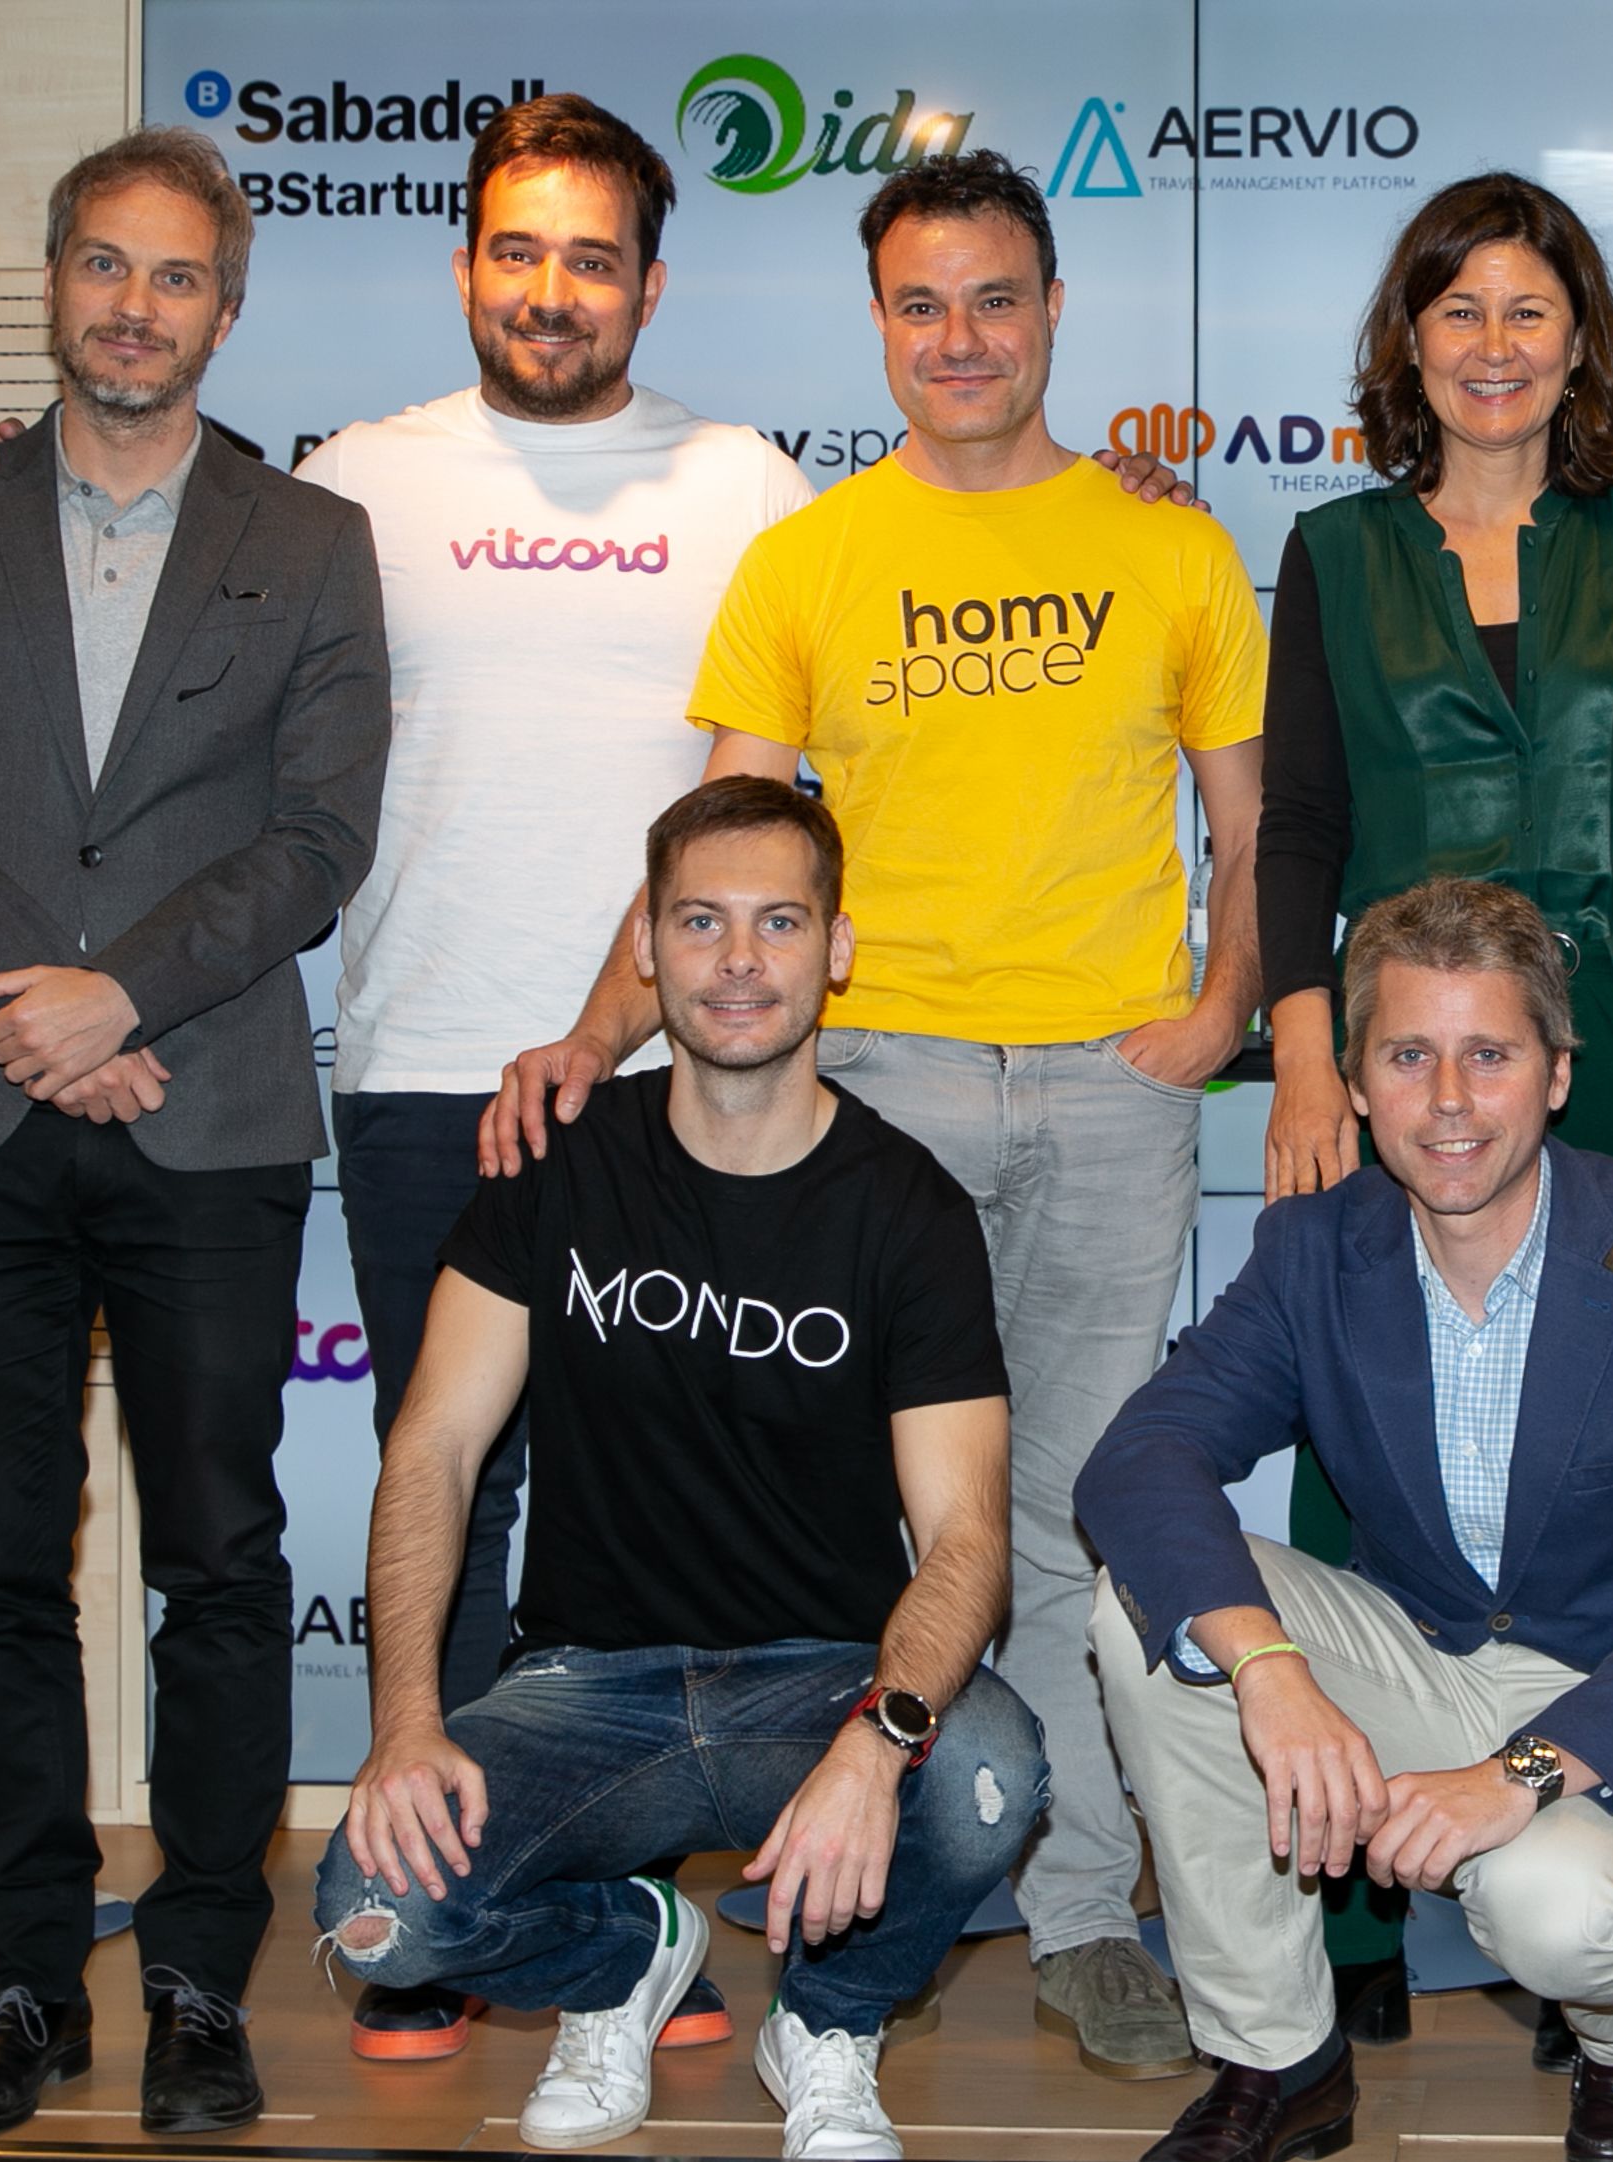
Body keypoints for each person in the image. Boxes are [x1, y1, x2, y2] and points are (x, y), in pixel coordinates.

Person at [0, 92, 822, 2060]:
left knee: (652, 1533)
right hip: (419, 1072)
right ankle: (433, 1915)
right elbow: (122, 548)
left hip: (682, 1077)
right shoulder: (348, 487)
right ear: (464, 262)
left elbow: (805, 772)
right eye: (516, 247)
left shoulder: (754, 486)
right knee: (448, 1505)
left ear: (650, 282)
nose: (550, 288)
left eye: (591, 256)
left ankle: (616, 1919)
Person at [485, 147, 1262, 2080]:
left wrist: (1221, 1014)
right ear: (881, 326)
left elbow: (1250, 826)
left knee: (1082, 1524)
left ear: (1056, 309)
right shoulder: (813, 557)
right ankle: (836, 1870)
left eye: (997, 298)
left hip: (1103, 1090)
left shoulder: (1169, 544)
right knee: (869, 1531)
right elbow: (721, 846)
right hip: (878, 1089)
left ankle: (1081, 1911)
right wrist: (603, 1032)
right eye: (922, 306)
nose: (962, 337)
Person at [0, 127, 389, 2138]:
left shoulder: (311, 539)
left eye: (172, 278)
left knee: (224, 1561)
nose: (131, 305)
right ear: (56, 280)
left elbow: (317, 841)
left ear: (224, 313)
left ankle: (199, 1975)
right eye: (100, 265)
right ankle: (34, 1986)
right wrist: (46, 1016)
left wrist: (122, 998)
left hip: (207, 1106)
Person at [317, 778, 1043, 2162]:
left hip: (816, 1674)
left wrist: (875, 1738)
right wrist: (405, 1721)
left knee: (990, 1765)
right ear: (645, 944)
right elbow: (433, 1446)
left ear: (836, 947)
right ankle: (625, 1956)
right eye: (700, 921)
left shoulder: (909, 1210)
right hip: (586, 1687)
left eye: (779, 921)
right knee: (379, 1910)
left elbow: (964, 1537)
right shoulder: (557, 1163)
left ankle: (827, 2021)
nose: (739, 958)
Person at [1079, 877, 1613, 2162]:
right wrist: (1268, 1669)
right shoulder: (1317, 1248)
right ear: (1354, 1082)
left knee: (1557, 1910)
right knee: (1150, 1592)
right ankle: (1278, 2061)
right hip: (1424, 1661)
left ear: (1557, 1074)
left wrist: (1514, 1777)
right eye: (1409, 1055)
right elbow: (1139, 1459)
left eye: (1489, 1054)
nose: (1449, 1100)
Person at [1255, 171, 1613, 1202]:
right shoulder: (1333, 553)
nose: (1493, 347)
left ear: (1575, 347)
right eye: (1459, 313)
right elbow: (1299, 824)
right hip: (1412, 1050)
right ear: (1413, 340)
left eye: (1528, 314)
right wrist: (1304, 1049)